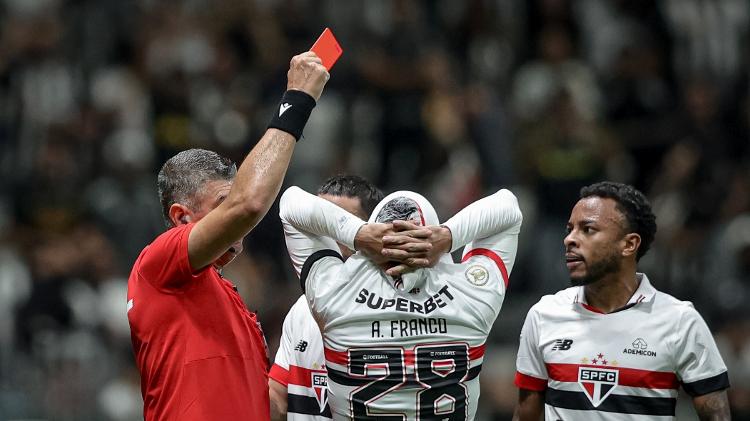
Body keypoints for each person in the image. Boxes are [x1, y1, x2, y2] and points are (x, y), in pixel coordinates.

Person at [126, 51, 330, 421]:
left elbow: (266, 406)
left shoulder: (231, 304)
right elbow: (249, 205)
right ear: (181, 216)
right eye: (223, 201)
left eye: (231, 199)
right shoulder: (157, 266)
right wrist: (296, 101)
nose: (239, 222)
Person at [278, 184, 523, 420]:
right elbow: (508, 206)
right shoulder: (472, 296)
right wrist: (448, 236)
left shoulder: (335, 295)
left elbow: (291, 203)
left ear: (368, 248)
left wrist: (359, 234)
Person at [513, 181, 731, 420]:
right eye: (570, 229)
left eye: (587, 229)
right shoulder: (544, 315)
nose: (569, 240)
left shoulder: (680, 321)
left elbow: (716, 415)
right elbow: (526, 414)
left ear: (629, 244)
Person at [269, 175, 384, 420]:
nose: (324, 241)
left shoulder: (392, 313)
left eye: (337, 227)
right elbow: (278, 398)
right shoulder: (301, 311)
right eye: (317, 227)